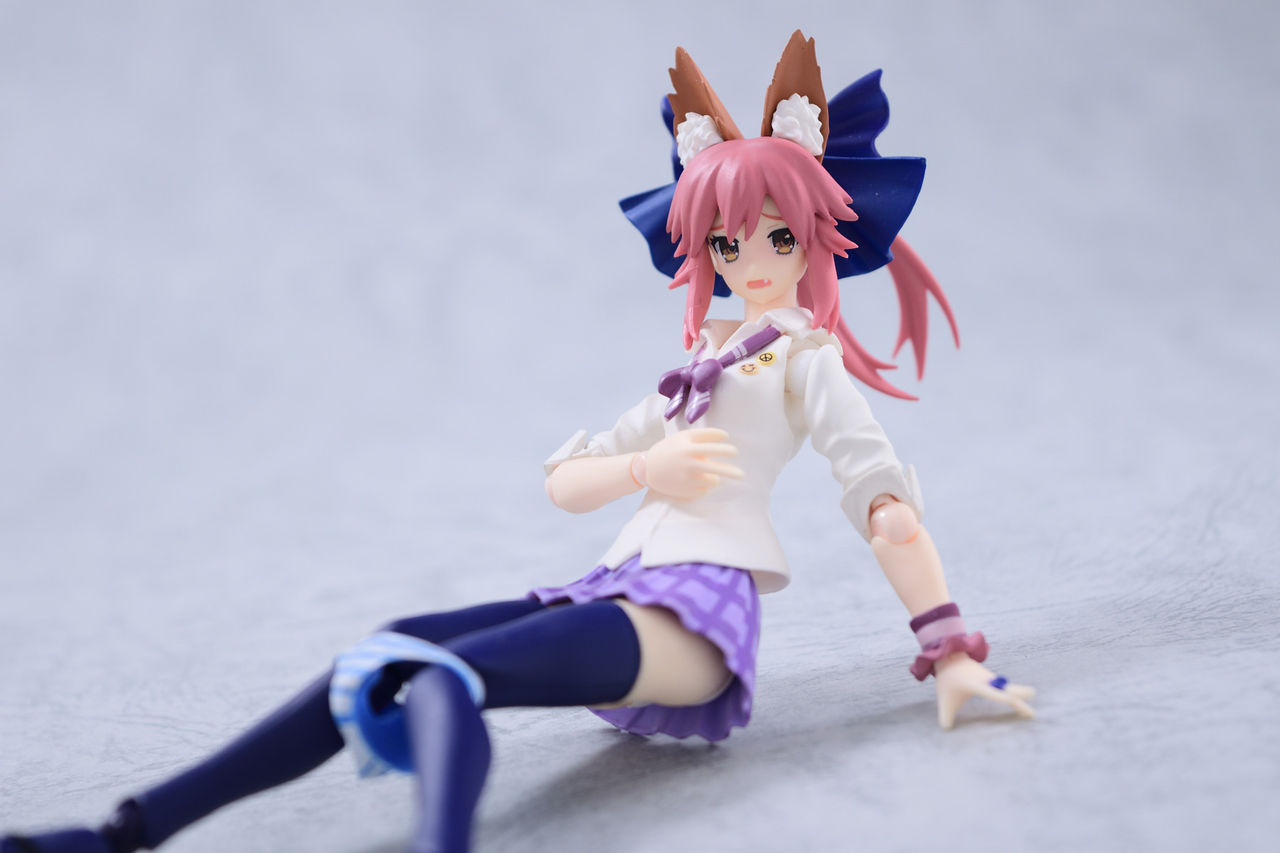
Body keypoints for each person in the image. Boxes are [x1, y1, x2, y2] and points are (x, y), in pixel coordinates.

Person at [2, 31, 1034, 853]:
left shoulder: (803, 362)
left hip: (699, 619)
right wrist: (645, 467)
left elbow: (881, 502)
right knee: (383, 654)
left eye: (772, 236)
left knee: (445, 680)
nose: (749, 259)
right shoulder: (703, 364)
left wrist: (947, 649)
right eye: (725, 242)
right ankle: (122, 832)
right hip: (621, 588)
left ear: (812, 233)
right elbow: (570, 481)